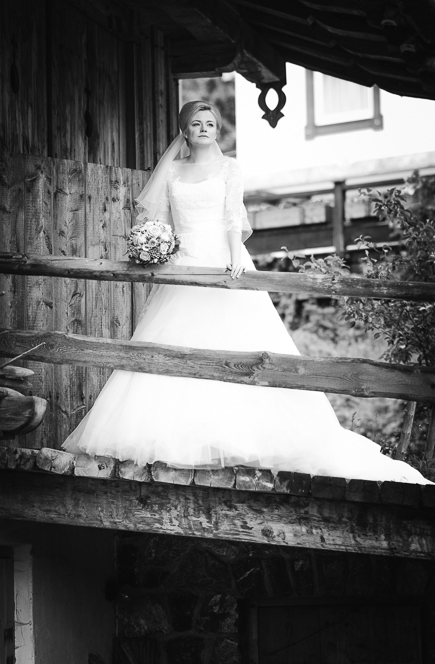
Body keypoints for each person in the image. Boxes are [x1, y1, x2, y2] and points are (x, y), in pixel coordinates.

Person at [62, 100, 430, 484]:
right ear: (184, 132)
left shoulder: (229, 167)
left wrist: (236, 256)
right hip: (183, 265)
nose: (204, 128)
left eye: (210, 123)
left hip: (224, 259)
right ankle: (180, 441)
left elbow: (233, 215)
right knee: (174, 342)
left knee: (240, 340)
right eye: (196, 124)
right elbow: (163, 220)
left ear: (217, 131)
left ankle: (243, 440)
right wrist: (156, 246)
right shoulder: (171, 171)